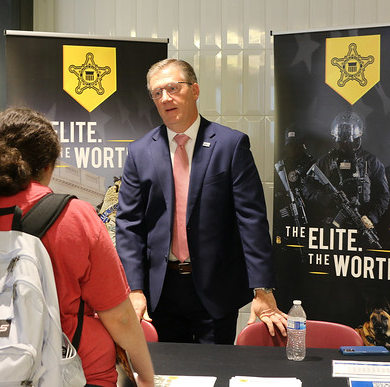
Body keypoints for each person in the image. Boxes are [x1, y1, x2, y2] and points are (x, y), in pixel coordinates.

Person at [0, 107, 154, 387]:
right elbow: (119, 317)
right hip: (75, 374)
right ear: (47, 167)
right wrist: (145, 375)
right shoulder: (75, 217)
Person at [115, 58, 287, 344]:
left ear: (194, 90)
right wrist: (134, 289)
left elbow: (251, 220)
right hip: (160, 291)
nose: (165, 98)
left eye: (172, 88)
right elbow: (129, 226)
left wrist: (262, 287)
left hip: (216, 288)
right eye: (157, 93)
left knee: (216, 373)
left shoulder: (231, 146)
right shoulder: (140, 152)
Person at [303, 111, 389, 239]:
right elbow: (308, 188)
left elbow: (383, 195)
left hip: (362, 222)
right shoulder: (325, 162)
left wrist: (371, 217)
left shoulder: (371, 161)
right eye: (342, 141)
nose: (345, 145)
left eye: (349, 141)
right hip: (331, 224)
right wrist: (323, 197)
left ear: (357, 139)